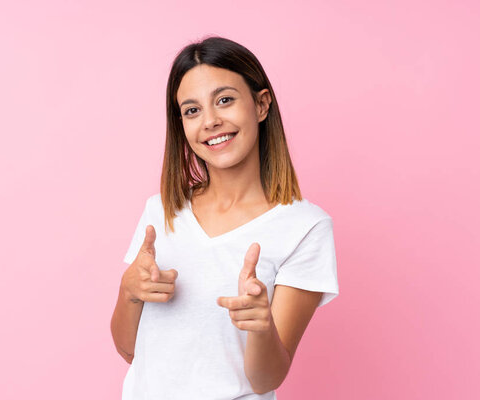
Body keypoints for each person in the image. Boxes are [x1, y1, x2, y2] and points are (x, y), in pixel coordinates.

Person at [110, 36, 339, 400]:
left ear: (261, 105)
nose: (211, 121)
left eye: (225, 100)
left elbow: (266, 379)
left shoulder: (305, 228)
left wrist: (261, 327)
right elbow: (129, 350)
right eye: (192, 110)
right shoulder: (162, 212)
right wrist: (129, 292)